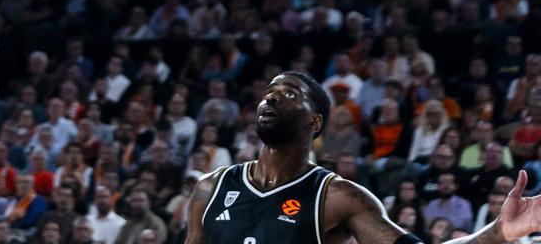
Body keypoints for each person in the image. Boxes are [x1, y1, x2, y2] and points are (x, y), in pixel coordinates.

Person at [185, 72, 541, 244]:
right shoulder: (210, 189)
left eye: (289, 93)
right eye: (268, 92)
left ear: (315, 121)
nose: (272, 99)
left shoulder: (338, 197)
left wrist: (500, 231)